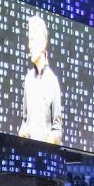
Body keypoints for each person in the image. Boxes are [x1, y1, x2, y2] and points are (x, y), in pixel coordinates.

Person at [16, 12, 64, 146]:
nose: (29, 45)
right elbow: (24, 120)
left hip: (45, 155)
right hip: (27, 153)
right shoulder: (28, 80)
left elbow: (57, 128)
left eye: (33, 40)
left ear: (43, 43)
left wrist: (49, 141)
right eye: (29, 40)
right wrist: (22, 130)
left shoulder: (52, 81)